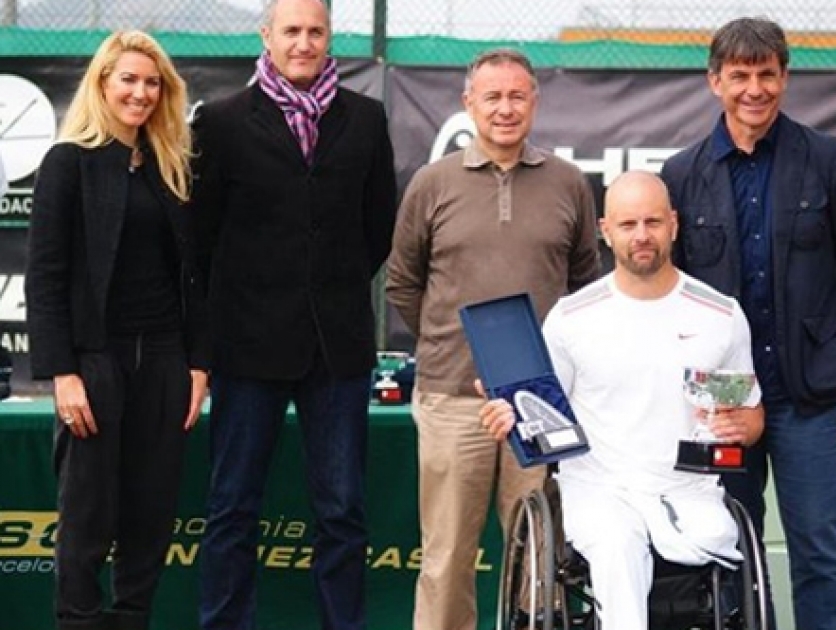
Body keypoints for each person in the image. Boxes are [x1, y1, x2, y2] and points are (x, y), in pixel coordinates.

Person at [660, 17, 836, 630]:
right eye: (739, 76)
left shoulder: (828, 160)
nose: (754, 89)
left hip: (806, 397)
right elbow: (671, 294)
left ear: (784, 78)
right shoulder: (681, 174)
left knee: (818, 548)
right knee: (731, 546)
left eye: (766, 75)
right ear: (714, 82)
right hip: (723, 402)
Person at [480, 171, 764, 630]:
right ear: (605, 231)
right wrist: (510, 414)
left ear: (673, 224)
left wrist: (742, 427)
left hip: (687, 491)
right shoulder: (572, 319)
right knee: (616, 547)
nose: (642, 236)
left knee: (712, 539)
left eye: (652, 222)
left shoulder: (719, 315)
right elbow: (543, 412)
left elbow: (749, 417)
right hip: (599, 491)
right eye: (628, 224)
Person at [190, 0, 397, 628]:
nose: (304, 43)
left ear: (329, 36)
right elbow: (203, 237)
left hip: (336, 349)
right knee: (232, 508)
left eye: (315, 31)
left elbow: (377, 228)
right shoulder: (222, 122)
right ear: (267, 37)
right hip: (246, 348)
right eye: (292, 31)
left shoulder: (365, 117)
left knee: (341, 511)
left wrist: (325, 289)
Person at [386, 48, 601, 630]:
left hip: (542, 404)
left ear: (533, 101)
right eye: (493, 97)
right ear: (468, 104)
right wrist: (450, 338)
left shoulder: (569, 183)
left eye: (517, 96)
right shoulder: (432, 184)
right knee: (447, 555)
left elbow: (586, 289)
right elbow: (404, 283)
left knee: (538, 551)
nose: (505, 108)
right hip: (453, 397)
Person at [25, 30, 209, 630]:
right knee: (86, 517)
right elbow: (45, 277)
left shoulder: (171, 167)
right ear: (102, 84)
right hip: (95, 363)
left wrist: (198, 365)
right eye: (128, 79)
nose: (140, 92)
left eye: (152, 82)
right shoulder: (66, 163)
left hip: (163, 362)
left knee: (150, 515)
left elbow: (194, 277)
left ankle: (133, 620)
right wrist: (63, 372)